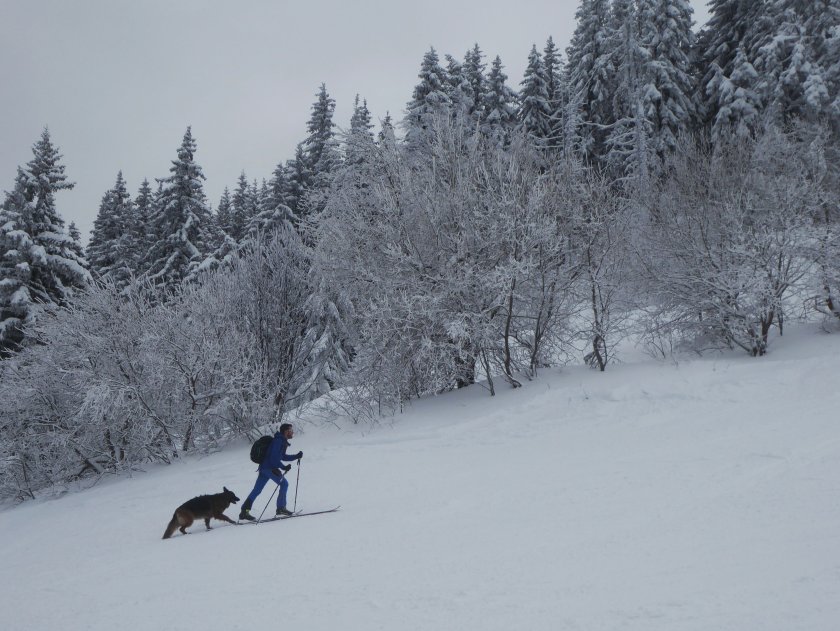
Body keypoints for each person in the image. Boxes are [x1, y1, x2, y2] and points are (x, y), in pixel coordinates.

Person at [239, 423, 303, 521]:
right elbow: (273, 458)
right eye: (290, 430)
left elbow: (282, 456)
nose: (292, 432)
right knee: (284, 484)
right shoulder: (278, 441)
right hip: (270, 468)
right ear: (286, 431)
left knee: (257, 490)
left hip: (264, 468)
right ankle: (281, 508)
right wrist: (283, 467)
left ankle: (244, 511)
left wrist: (296, 456)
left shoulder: (281, 440)